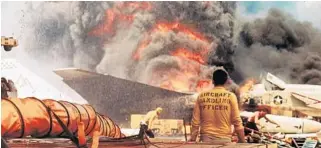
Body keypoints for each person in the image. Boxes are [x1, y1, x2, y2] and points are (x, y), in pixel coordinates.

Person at [189, 69, 246, 143]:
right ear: (226, 82)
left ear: (213, 81)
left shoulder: (202, 96)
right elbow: (237, 121)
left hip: (205, 139)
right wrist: (242, 141)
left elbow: (195, 122)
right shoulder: (231, 96)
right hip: (224, 140)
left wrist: (193, 139)